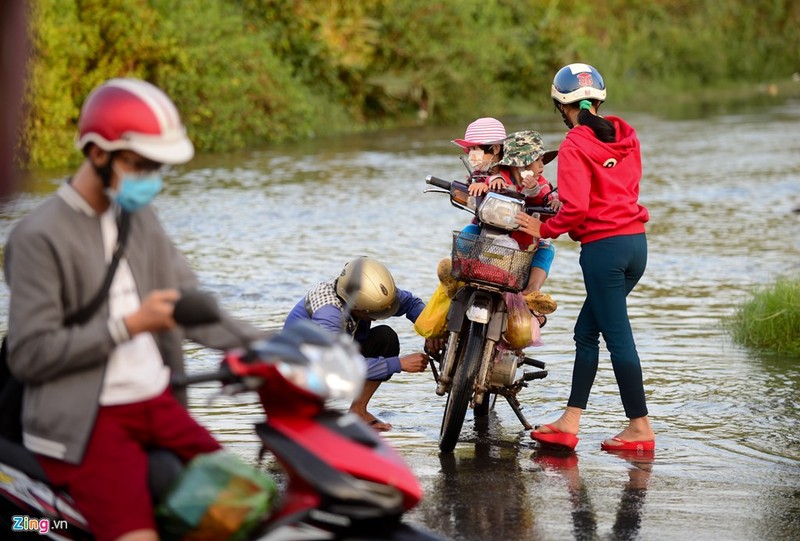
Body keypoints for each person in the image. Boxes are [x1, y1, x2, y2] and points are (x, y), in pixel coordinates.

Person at [3, 78, 266, 541]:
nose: (150, 177)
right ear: (98, 153)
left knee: (243, 503)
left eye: (156, 167)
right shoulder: (37, 237)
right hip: (90, 420)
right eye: (139, 165)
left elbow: (191, 306)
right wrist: (128, 326)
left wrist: (277, 346)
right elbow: (30, 355)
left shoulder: (140, 219)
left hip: (155, 402)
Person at [516, 63, 655, 451]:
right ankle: (570, 421)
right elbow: (617, 189)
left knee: (618, 339)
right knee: (586, 332)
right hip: (635, 246)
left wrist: (541, 228)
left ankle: (640, 428)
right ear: (598, 98)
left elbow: (575, 210)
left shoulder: (576, 142)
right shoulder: (626, 135)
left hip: (604, 251)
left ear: (562, 105)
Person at [283, 257, 433, 432]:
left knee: (386, 338)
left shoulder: (364, 292)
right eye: (372, 315)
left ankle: (358, 412)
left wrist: (431, 330)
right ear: (357, 308)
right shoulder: (329, 314)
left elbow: (410, 303)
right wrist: (399, 364)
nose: (377, 318)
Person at [466, 130, 562, 314]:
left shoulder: (540, 182)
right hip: (493, 236)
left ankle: (532, 290)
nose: (542, 165)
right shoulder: (500, 175)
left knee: (547, 249)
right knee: (469, 231)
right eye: (538, 160)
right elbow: (488, 179)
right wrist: (483, 185)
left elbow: (549, 195)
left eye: (542, 160)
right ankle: (460, 270)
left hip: (525, 244)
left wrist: (552, 201)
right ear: (521, 164)